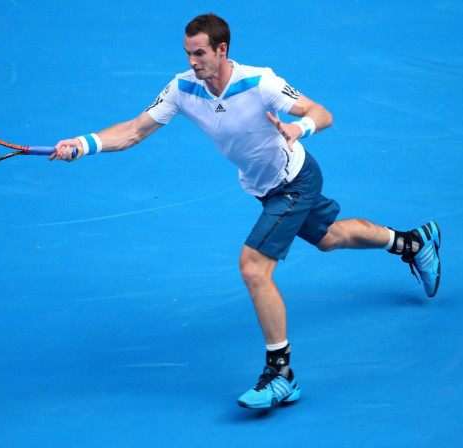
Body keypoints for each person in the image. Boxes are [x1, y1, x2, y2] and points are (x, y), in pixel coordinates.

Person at [50, 13, 441, 409]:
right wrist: (84, 144)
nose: (192, 62)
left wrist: (298, 128)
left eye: (199, 53)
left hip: (295, 181)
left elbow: (322, 113)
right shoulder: (182, 88)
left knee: (254, 266)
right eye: (187, 53)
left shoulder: (260, 82)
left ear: (222, 49)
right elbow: (134, 130)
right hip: (264, 188)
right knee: (330, 238)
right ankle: (413, 243)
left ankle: (281, 374)